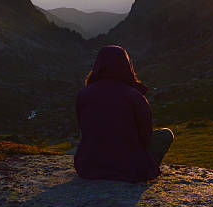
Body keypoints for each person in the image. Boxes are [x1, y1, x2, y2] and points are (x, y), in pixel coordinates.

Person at [74, 45, 174, 182]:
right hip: (129, 169)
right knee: (165, 134)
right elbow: (146, 137)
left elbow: (84, 129)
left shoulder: (84, 94)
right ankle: (146, 166)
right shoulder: (135, 96)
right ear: (127, 65)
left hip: (88, 167)